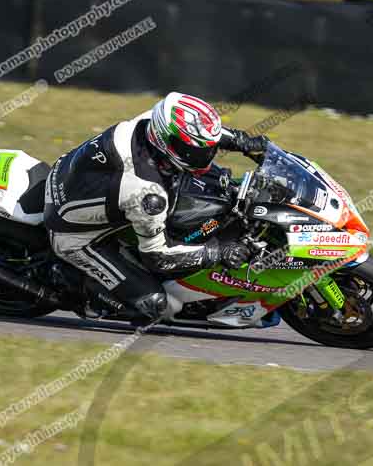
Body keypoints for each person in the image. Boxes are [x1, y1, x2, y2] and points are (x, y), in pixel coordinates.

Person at [43, 92, 268, 322]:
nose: (208, 156)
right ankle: (85, 289)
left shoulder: (153, 121)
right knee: (155, 305)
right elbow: (158, 256)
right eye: (198, 151)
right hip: (73, 235)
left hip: (78, 178)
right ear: (168, 143)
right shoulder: (147, 193)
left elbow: (198, 134)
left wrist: (242, 141)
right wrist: (217, 252)